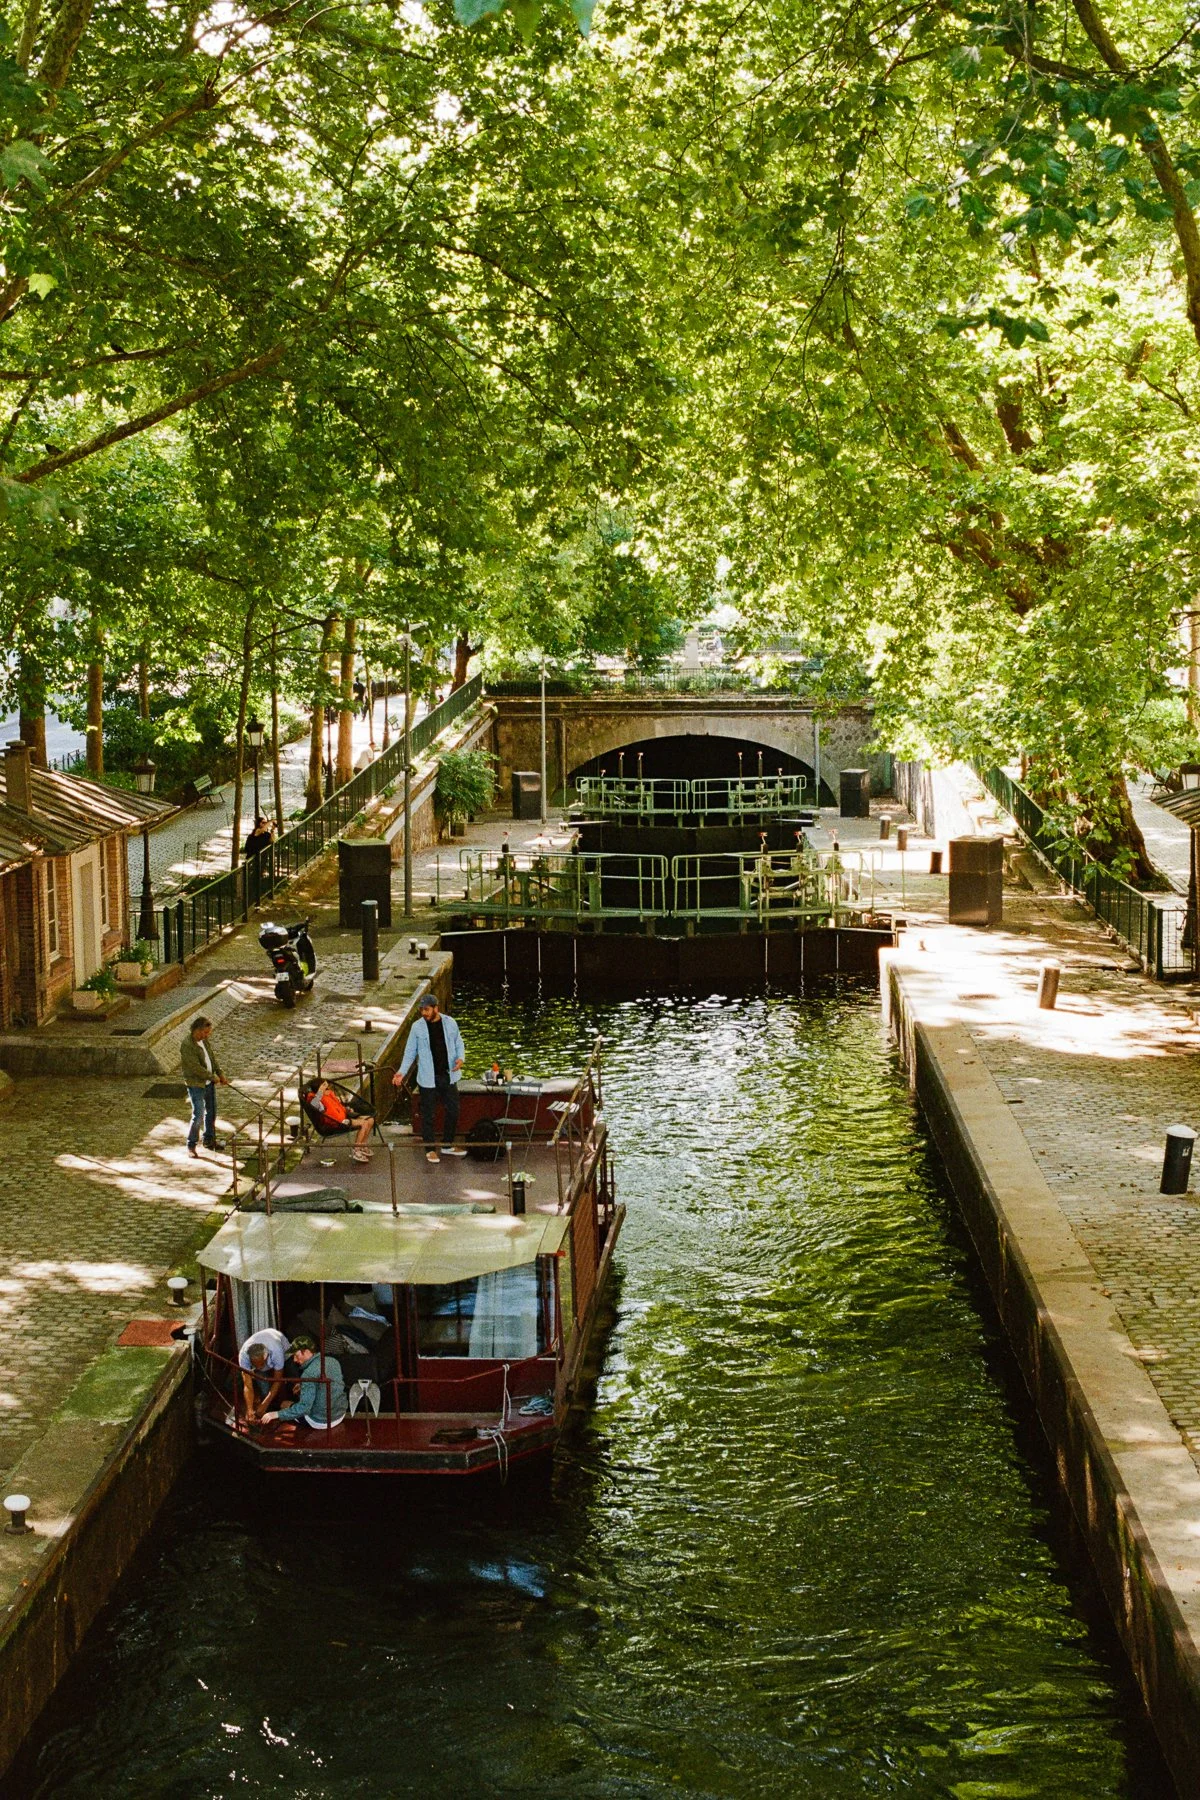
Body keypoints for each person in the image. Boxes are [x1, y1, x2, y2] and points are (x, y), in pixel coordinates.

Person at [394, 994, 465, 1164]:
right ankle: (430, 1149)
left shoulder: (450, 1023)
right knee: (428, 1114)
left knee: (453, 1109)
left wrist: (460, 1058)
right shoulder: (417, 1027)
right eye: (421, 1010)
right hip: (428, 1077)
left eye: (426, 1009)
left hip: (447, 1075)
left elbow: (459, 1043)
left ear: (436, 1008)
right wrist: (401, 1072)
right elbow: (410, 1052)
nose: (423, 1013)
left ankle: (447, 1145)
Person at [262, 1335, 347, 1431]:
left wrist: (276, 1414)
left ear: (306, 1351)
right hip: (339, 1415)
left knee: (284, 1404)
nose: (294, 1360)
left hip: (320, 1421)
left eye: (296, 1355)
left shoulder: (308, 1373)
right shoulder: (333, 1361)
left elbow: (304, 1408)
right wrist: (303, 1385)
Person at [181, 1015, 229, 1158]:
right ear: (197, 1030)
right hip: (196, 1084)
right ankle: (191, 1145)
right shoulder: (187, 1045)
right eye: (205, 1032)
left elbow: (212, 1059)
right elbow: (195, 1067)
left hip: (209, 1084)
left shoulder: (204, 1041)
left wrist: (220, 1073)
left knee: (211, 1112)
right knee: (199, 1114)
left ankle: (209, 1140)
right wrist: (211, 1077)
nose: (207, 1035)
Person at [304, 1078, 376, 1163]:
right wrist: (320, 1092)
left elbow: (337, 1106)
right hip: (336, 1122)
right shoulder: (315, 1100)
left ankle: (362, 1145)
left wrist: (346, 1109)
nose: (327, 1087)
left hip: (343, 1117)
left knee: (370, 1120)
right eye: (323, 1085)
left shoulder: (328, 1095)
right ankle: (356, 1150)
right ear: (318, 1089)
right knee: (364, 1123)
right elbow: (314, 1104)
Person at [238, 1326, 289, 1423]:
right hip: (267, 1356)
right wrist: (249, 1409)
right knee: (265, 1390)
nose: (258, 1367)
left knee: (288, 1378)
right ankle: (267, 1410)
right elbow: (247, 1385)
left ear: (265, 1356)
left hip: (283, 1349)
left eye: (260, 1364)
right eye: (254, 1364)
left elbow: (277, 1380)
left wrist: (264, 1405)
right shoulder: (243, 1356)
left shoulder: (277, 1351)